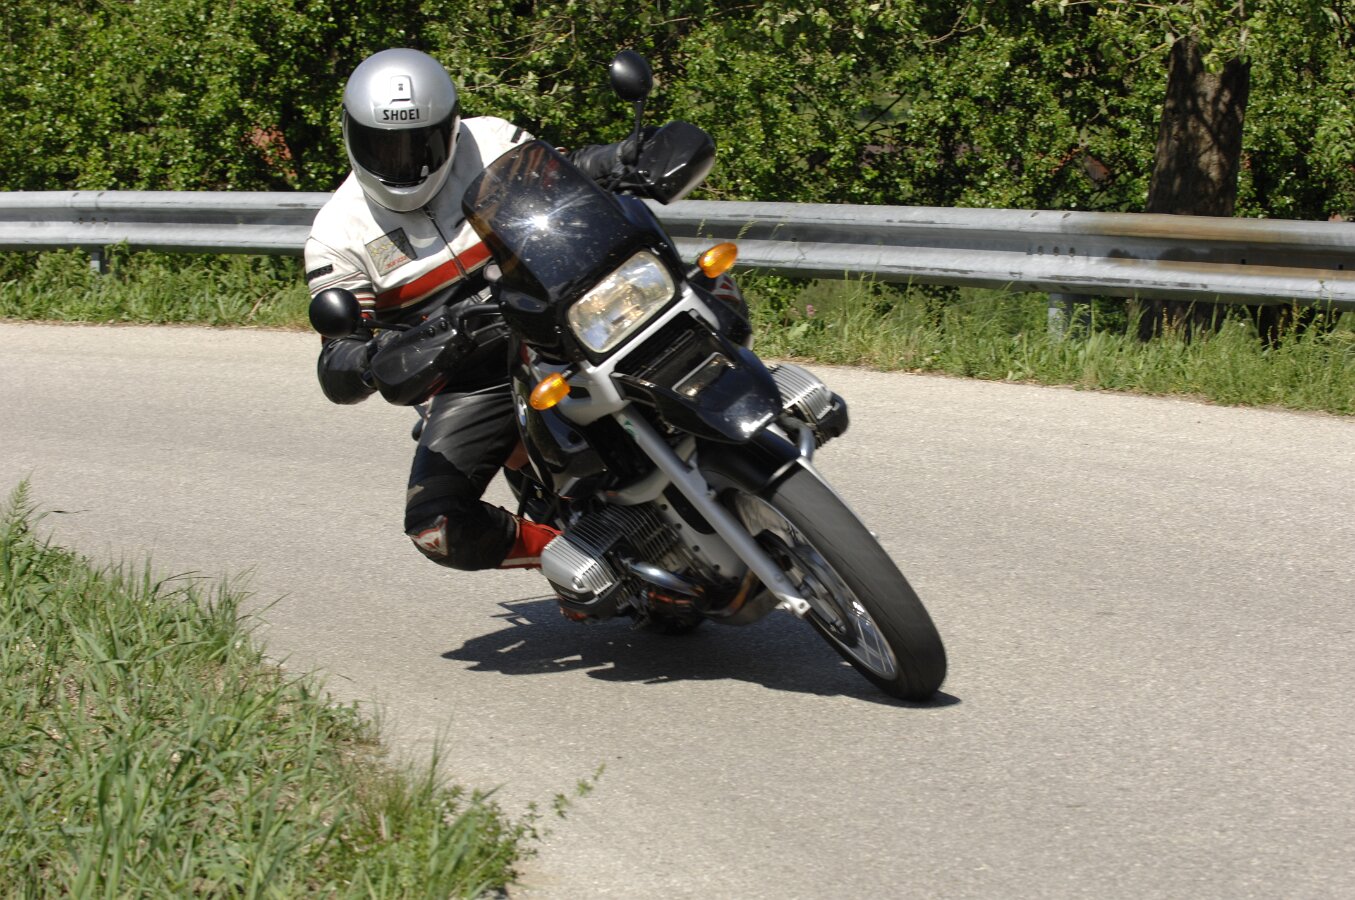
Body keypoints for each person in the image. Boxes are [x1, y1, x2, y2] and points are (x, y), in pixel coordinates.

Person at [304, 48, 635, 572]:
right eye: (384, 147)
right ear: (352, 134)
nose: (403, 162)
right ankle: (570, 551)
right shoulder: (337, 234)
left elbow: (567, 168)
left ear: (451, 128)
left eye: (421, 144)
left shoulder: (492, 140)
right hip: (471, 374)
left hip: (557, 318)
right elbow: (337, 355)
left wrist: (625, 155)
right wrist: (364, 359)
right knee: (436, 527)